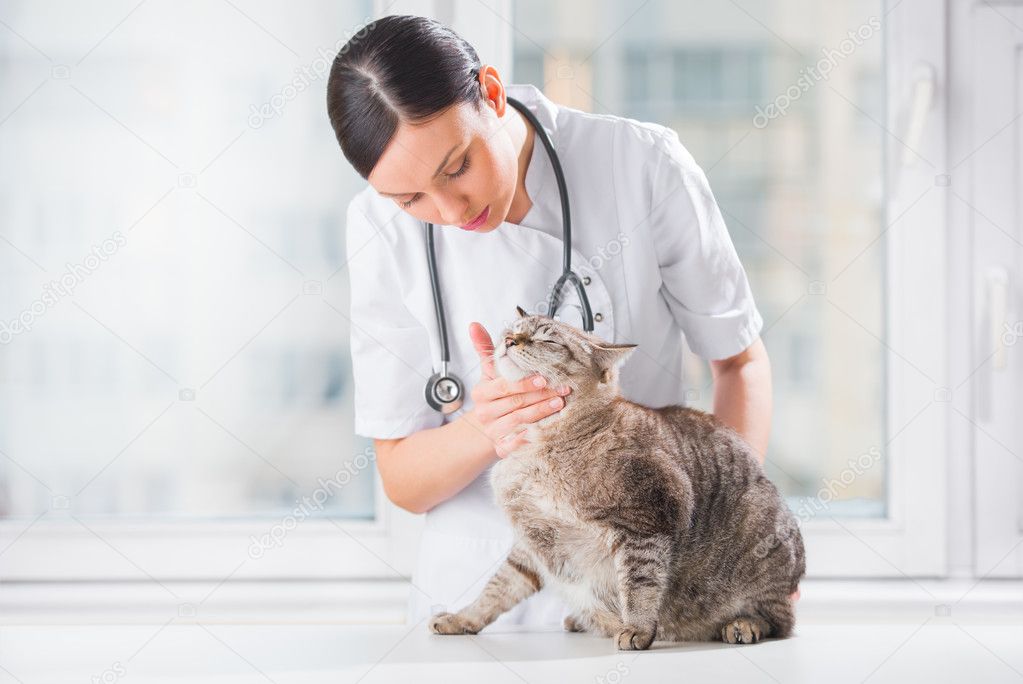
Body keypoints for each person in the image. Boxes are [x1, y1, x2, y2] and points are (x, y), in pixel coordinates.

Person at [326, 14, 795, 629]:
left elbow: (738, 361)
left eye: (457, 167)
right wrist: (484, 430)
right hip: (481, 602)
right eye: (410, 199)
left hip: (654, 585)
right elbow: (402, 480)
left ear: (491, 93)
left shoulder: (640, 164)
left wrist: (729, 541)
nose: (449, 210)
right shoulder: (376, 230)